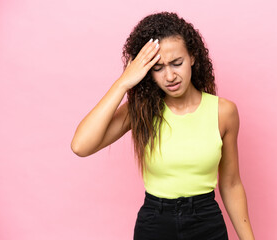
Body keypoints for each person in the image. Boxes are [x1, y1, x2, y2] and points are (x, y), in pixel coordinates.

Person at [71, 11, 255, 240]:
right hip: (155, 223)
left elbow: (231, 184)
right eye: (158, 68)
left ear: (193, 57)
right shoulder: (140, 110)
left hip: (206, 222)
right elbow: (81, 146)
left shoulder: (224, 112)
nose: (170, 76)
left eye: (177, 63)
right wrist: (122, 83)